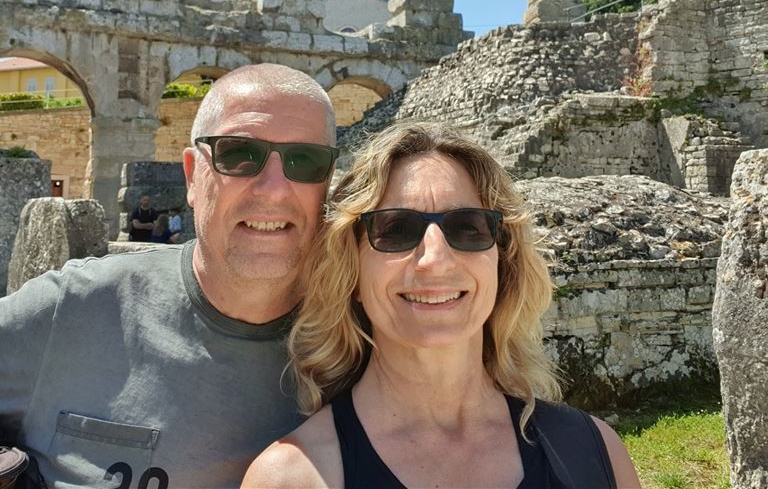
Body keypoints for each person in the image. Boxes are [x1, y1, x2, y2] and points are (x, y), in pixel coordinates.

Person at [242, 123, 641, 489]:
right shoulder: (292, 478)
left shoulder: (595, 454)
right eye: (396, 229)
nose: (435, 259)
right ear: (352, 271)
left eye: (468, 227)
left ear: (502, 263)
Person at [0, 63, 338, 488]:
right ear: (192, 175)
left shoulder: (371, 347)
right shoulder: (72, 308)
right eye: (238, 154)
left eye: (305, 160)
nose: (272, 188)